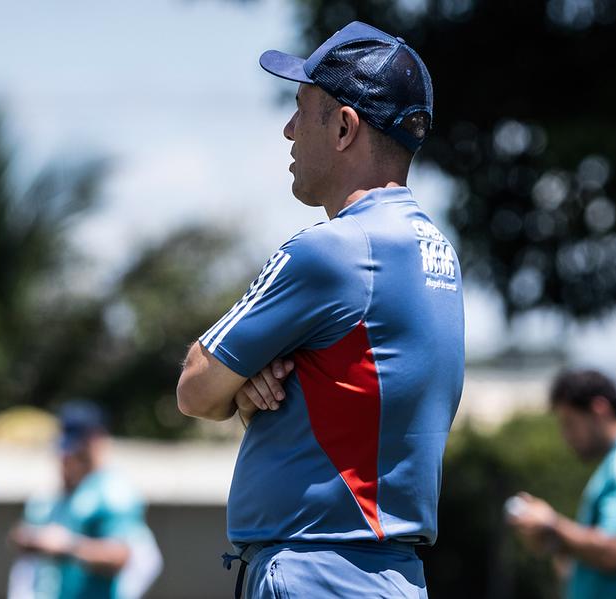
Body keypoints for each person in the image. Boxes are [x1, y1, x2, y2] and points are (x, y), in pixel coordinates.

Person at [177, 21, 463, 598]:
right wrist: (257, 389)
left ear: (342, 126)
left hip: (315, 570)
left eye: (300, 108)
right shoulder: (437, 253)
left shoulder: (331, 250)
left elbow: (195, 388)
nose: (287, 130)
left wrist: (238, 386)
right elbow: (356, 396)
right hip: (393, 576)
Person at [507, 369, 616, 599]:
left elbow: (615, 551)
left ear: (600, 410)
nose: (565, 435)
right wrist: (557, 543)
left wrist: (552, 525)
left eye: (569, 423)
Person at [8, 401, 162, 599]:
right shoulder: (65, 492)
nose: (69, 460)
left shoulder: (113, 491)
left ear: (95, 442)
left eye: (77, 451)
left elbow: (120, 556)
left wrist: (67, 546)